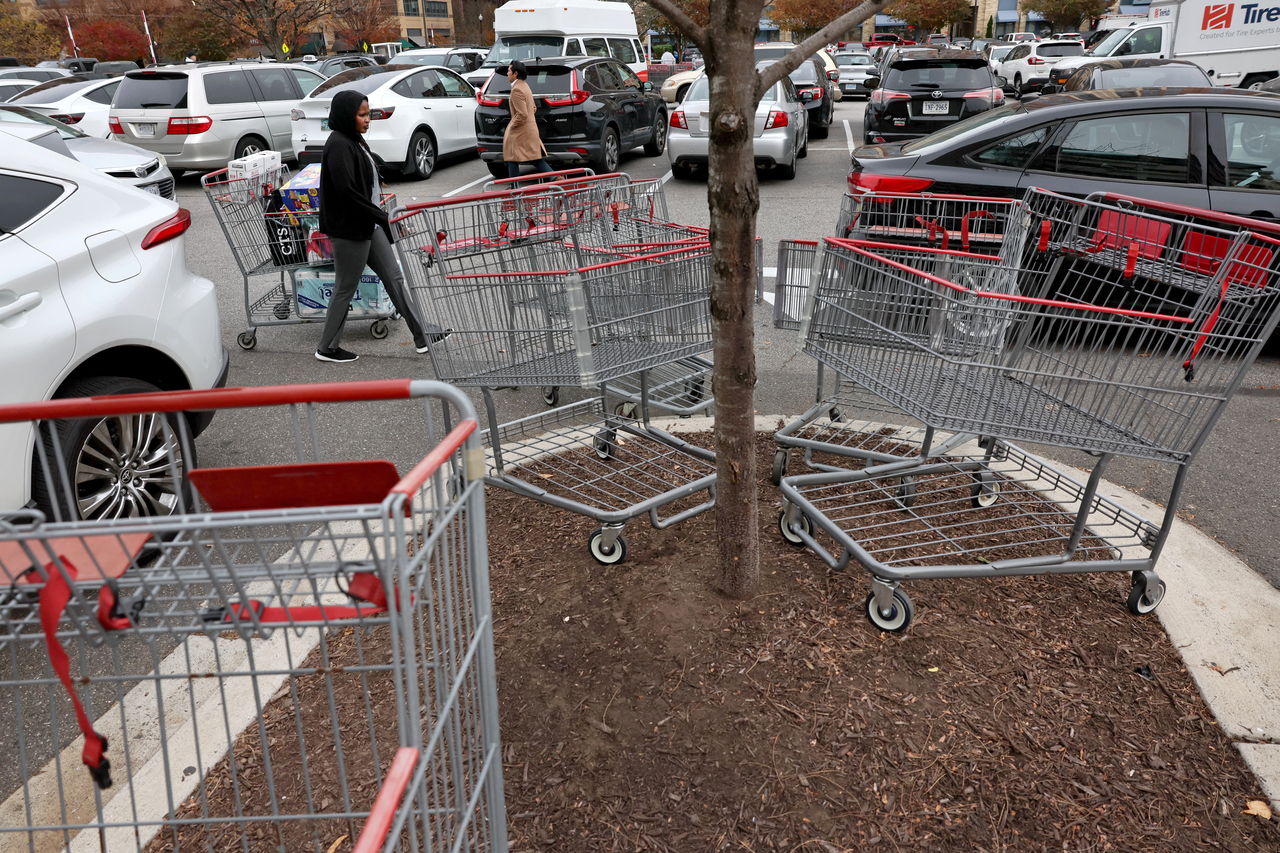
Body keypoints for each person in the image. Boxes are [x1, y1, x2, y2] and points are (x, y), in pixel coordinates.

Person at [316, 90, 443, 363]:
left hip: (368, 224)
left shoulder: (353, 140)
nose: (367, 119)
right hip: (350, 229)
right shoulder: (338, 143)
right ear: (346, 116)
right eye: (361, 115)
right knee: (345, 287)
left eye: (368, 114)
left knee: (394, 278)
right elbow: (347, 193)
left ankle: (422, 335)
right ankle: (326, 347)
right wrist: (384, 218)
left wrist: (380, 217)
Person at [502, 60, 552, 179]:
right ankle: (554, 177)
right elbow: (533, 107)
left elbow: (522, 114)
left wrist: (511, 126)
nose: (507, 73)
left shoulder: (516, 90)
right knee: (528, 158)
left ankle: (515, 188)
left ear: (516, 73)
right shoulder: (524, 85)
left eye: (509, 71)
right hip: (528, 129)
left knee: (513, 157)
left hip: (520, 131)